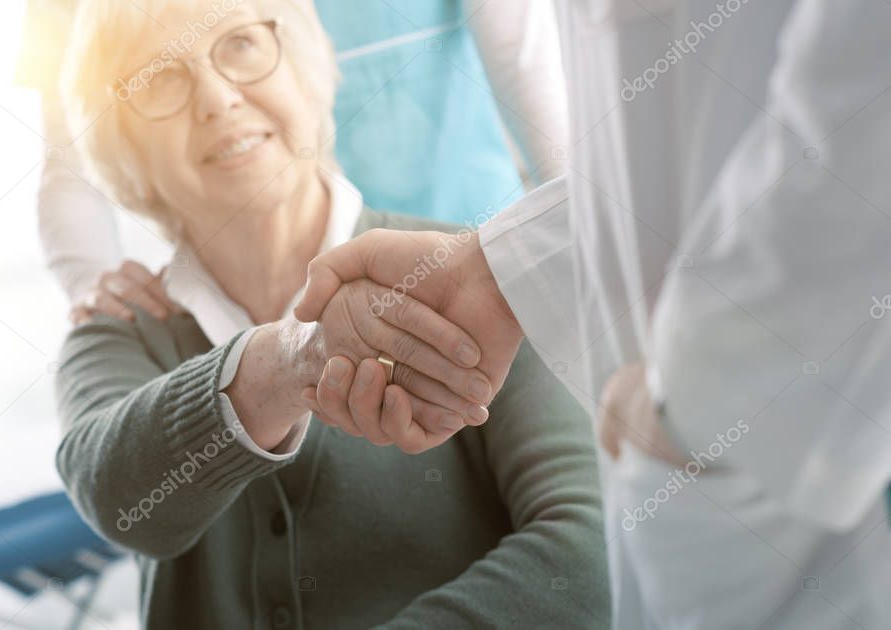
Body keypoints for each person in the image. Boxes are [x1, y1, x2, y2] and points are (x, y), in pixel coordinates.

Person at [292, 1, 891, 628]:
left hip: (798, 459)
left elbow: (865, 116)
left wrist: (709, 396)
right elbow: (698, 152)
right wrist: (497, 273)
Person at [53, 0, 609, 627]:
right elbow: (118, 503)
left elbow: (593, 549)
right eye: (159, 77)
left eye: (239, 44)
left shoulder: (480, 286)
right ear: (119, 141)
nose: (216, 98)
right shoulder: (117, 329)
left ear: (308, 67)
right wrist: (293, 358)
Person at [16, 0, 567, 310]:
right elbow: (70, 161)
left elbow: (530, 74)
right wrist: (94, 287)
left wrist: (577, 252)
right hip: (275, 295)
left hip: (472, 252)